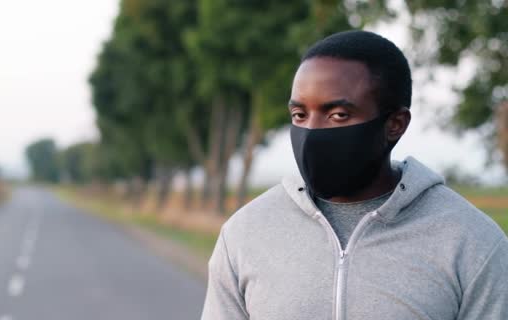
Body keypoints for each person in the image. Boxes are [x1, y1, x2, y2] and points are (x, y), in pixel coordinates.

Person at [200, 30, 508, 320]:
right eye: (300, 115)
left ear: (395, 124)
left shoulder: (471, 242)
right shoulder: (245, 234)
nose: (311, 132)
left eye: (338, 115)